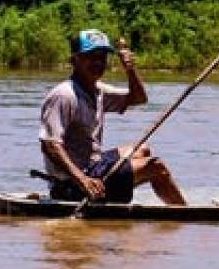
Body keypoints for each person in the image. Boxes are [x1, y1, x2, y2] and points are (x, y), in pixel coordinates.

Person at [39, 29, 187, 206]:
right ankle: (186, 213)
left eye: (102, 57)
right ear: (74, 60)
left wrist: (130, 69)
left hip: (93, 167)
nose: (98, 62)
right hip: (73, 185)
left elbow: (138, 98)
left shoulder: (98, 91)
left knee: (143, 150)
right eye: (91, 57)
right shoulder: (64, 95)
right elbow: (50, 145)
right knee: (156, 167)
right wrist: (83, 180)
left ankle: (119, 191)